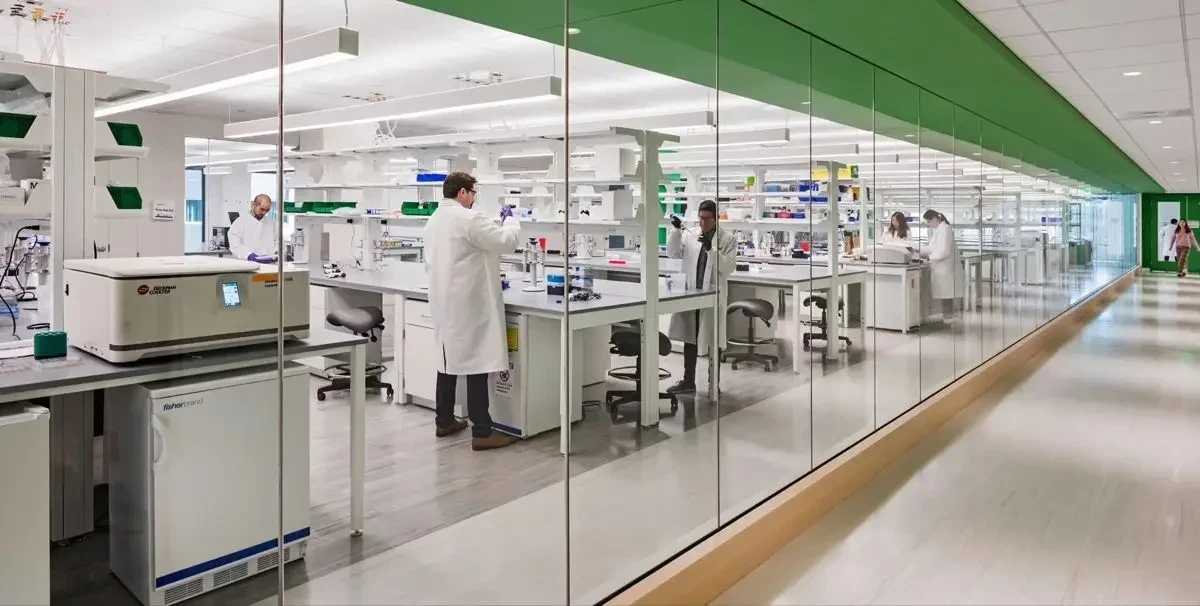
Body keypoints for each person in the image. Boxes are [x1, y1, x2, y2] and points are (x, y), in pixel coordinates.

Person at [424, 172, 522, 451]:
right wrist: (512, 221)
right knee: (478, 364)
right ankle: (482, 431)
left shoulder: (434, 220)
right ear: (463, 193)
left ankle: (444, 421)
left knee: (447, 362)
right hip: (469, 304)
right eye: (473, 193)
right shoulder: (468, 218)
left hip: (444, 301)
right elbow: (505, 242)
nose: (474, 199)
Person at [665, 200, 736, 394]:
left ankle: (714, 384)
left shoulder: (727, 239)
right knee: (690, 337)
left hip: (712, 295)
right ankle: (688, 381)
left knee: (714, 339)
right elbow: (673, 253)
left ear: (716, 218)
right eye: (700, 218)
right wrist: (676, 231)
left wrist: (711, 250)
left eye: (707, 219)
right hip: (692, 292)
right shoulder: (690, 234)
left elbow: (728, 267)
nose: (703, 222)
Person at [919, 209, 965, 321]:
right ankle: (947, 317)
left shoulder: (945, 229)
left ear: (935, 219)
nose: (928, 225)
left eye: (928, 222)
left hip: (945, 268)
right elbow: (933, 247)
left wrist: (930, 257)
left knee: (946, 294)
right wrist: (919, 250)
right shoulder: (940, 230)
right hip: (941, 268)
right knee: (945, 294)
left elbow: (944, 251)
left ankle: (948, 317)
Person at [228, 194, 277, 263]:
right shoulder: (240, 222)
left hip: (269, 265)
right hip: (247, 264)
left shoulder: (271, 223)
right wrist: (249, 255)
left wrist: (276, 254)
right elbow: (235, 245)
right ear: (254, 205)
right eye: (262, 209)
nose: (264, 213)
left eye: (267, 210)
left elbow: (278, 242)